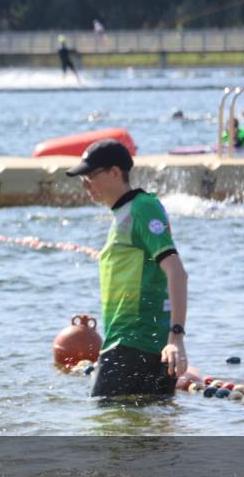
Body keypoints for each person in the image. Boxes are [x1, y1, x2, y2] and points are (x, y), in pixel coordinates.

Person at [66, 139, 189, 399]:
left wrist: (176, 338)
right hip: (129, 344)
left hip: (135, 344)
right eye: (82, 178)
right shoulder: (122, 213)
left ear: (115, 172)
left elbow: (176, 271)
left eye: (90, 176)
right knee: (143, 434)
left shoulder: (142, 207)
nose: (84, 184)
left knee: (106, 429)